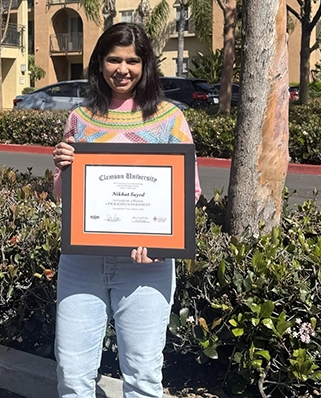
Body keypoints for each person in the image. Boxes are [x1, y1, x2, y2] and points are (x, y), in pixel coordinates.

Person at [52, 22, 201, 398]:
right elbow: (63, 196)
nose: (123, 69)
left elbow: (190, 191)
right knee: (71, 373)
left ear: (145, 64)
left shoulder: (168, 119)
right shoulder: (79, 119)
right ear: (100, 63)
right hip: (81, 262)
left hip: (146, 264)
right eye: (114, 59)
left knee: (142, 378)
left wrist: (160, 242)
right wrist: (64, 167)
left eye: (132, 61)